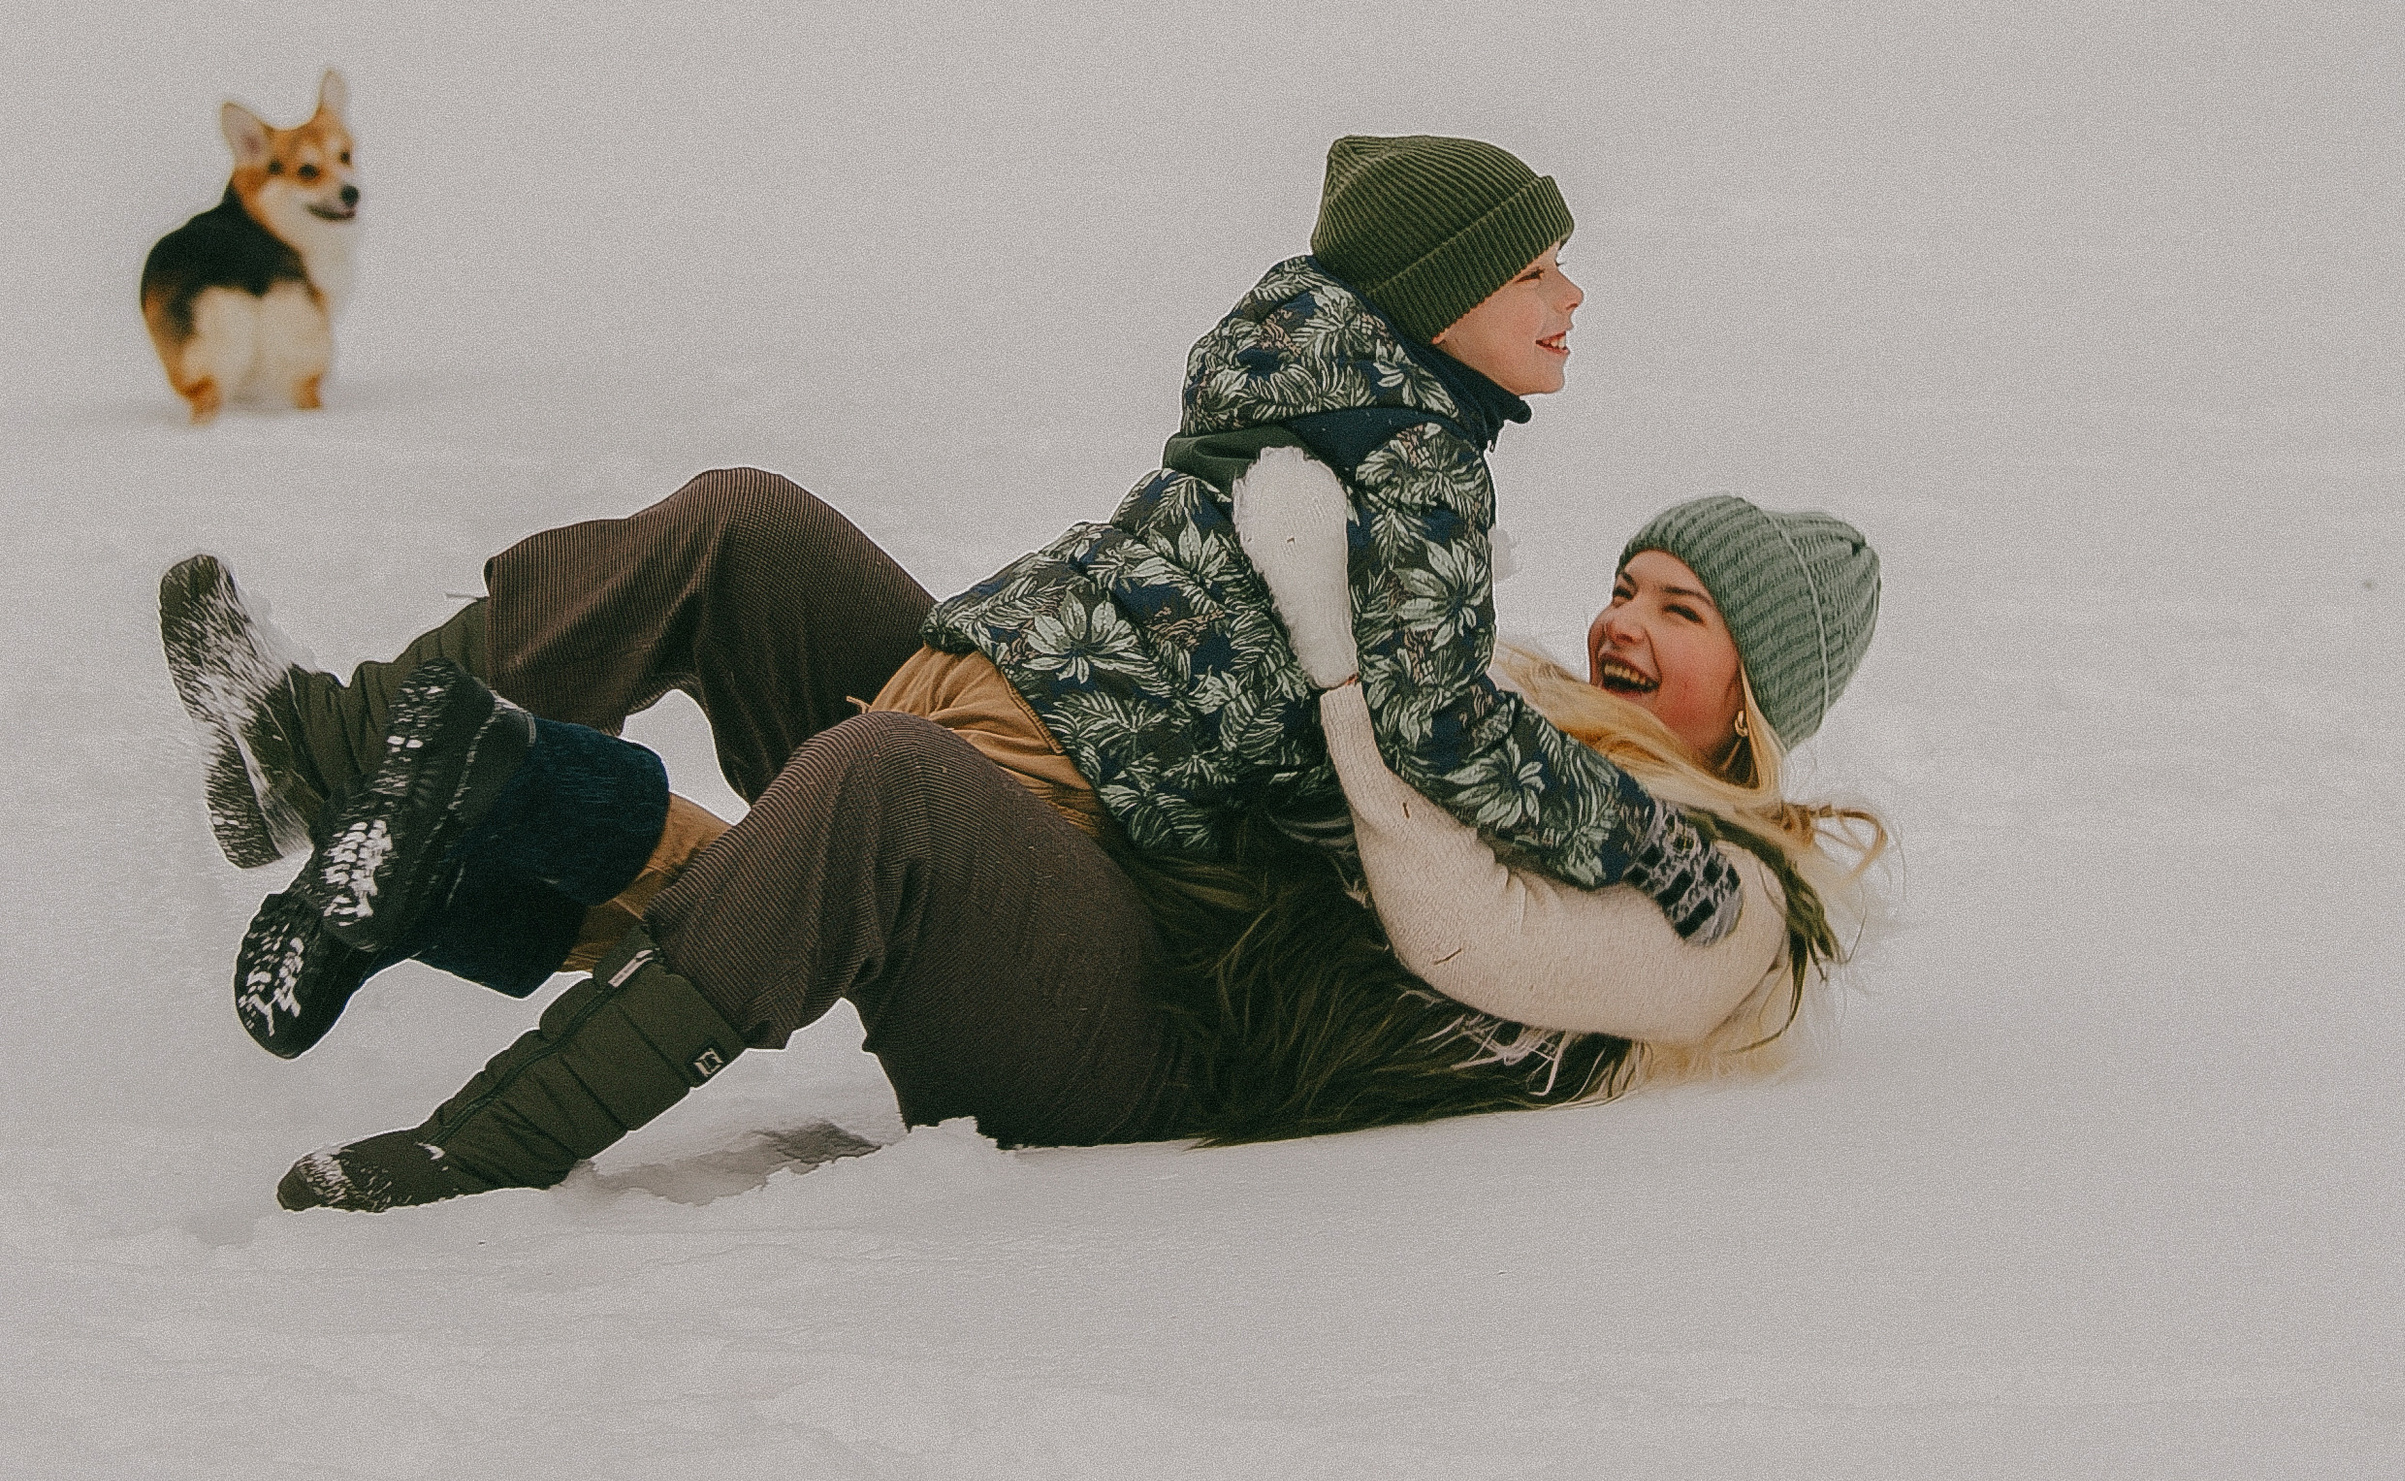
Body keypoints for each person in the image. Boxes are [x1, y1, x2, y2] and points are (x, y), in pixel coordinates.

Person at [162, 439, 1885, 1203]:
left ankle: (482, 1152)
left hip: (1168, 1040)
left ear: (1756, 703)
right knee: (749, 530)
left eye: (1682, 615)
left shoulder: (1732, 908)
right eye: (1630, 586)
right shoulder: (1516, 717)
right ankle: (327, 751)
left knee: (884, 786)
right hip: (1125, 875)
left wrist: (1353, 682)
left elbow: (1449, 933)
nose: (1623, 625)